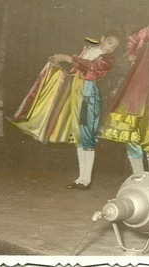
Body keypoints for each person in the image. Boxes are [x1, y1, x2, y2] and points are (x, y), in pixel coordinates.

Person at [10, 29, 122, 190]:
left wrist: (68, 58)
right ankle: (81, 178)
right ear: (102, 38)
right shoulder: (89, 50)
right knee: (80, 136)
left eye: (115, 46)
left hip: (89, 95)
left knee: (87, 137)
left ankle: (87, 180)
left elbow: (91, 67)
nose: (111, 47)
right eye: (109, 42)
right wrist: (60, 66)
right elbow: (76, 69)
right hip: (76, 92)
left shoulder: (107, 59)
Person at [99, 10, 149, 176]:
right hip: (139, 88)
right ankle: (138, 176)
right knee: (132, 130)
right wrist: (131, 54)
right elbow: (131, 39)